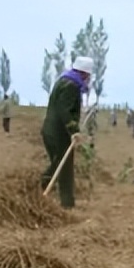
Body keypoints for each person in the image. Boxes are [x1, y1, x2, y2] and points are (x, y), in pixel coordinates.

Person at [41, 56, 92, 209]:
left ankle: (43, 188)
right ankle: (66, 204)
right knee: (64, 168)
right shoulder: (71, 86)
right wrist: (74, 130)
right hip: (59, 134)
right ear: (84, 74)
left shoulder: (63, 82)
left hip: (52, 131)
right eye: (89, 76)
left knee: (58, 164)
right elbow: (65, 111)